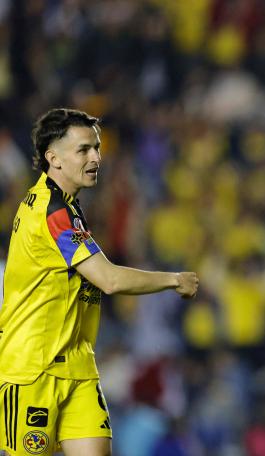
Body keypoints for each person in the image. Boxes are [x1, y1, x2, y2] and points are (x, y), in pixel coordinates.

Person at [0, 108, 199, 456]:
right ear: (54, 158)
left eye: (96, 148)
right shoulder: (51, 211)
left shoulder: (69, 208)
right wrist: (174, 280)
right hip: (32, 371)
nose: (95, 157)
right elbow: (108, 279)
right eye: (83, 150)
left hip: (77, 367)